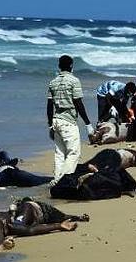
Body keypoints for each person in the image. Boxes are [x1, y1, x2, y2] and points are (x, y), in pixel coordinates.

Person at [46, 55, 94, 184]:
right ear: (71, 66)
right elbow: (78, 102)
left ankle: (56, 178)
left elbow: (49, 106)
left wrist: (50, 125)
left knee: (60, 154)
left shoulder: (53, 82)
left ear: (59, 66)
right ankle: (63, 180)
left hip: (56, 120)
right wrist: (88, 123)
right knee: (73, 153)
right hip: (68, 122)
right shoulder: (74, 81)